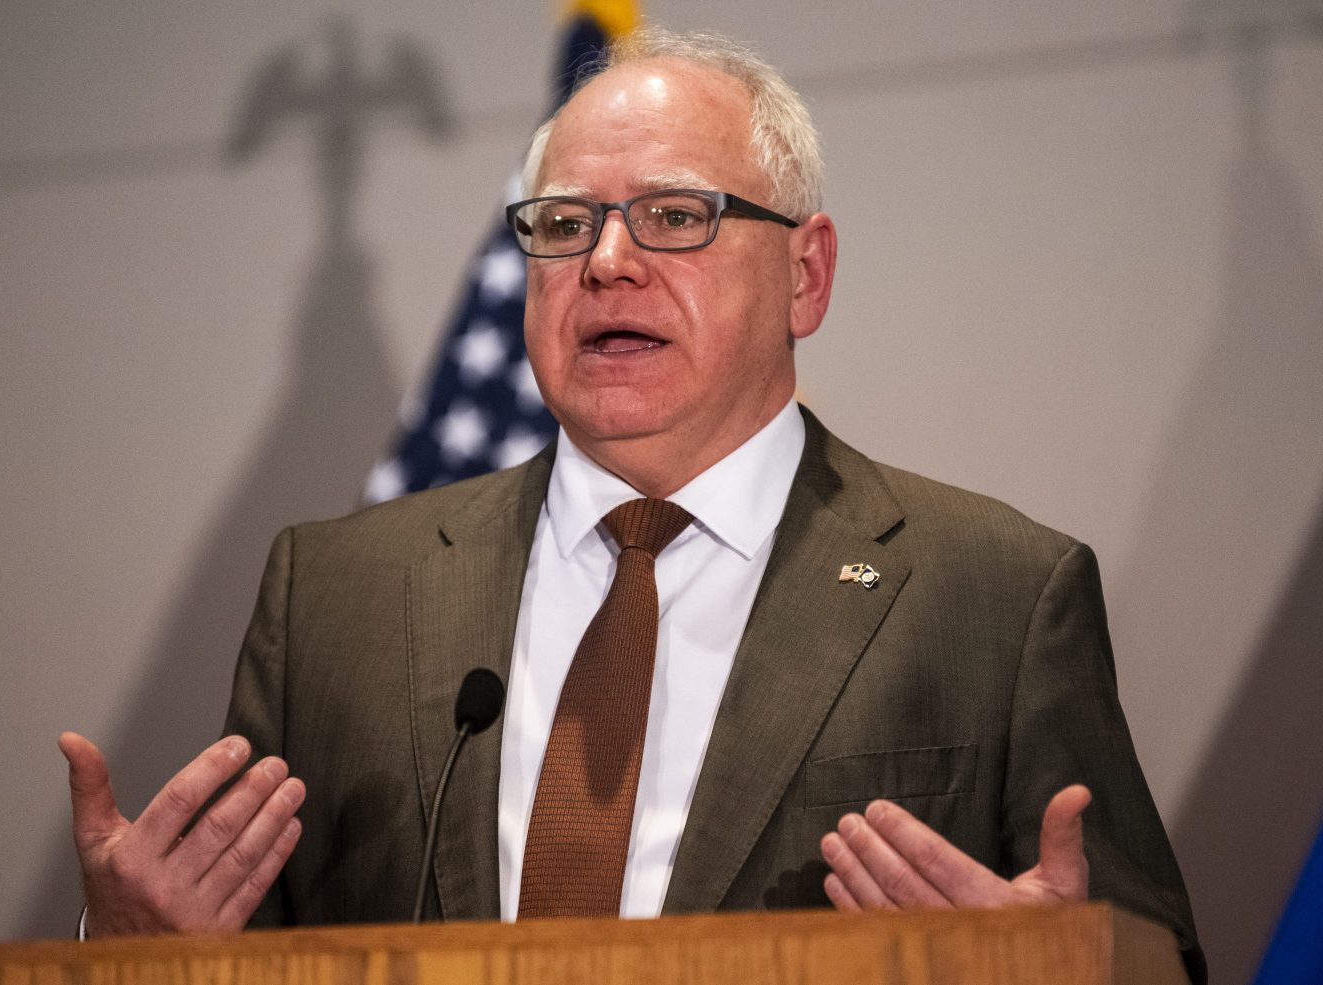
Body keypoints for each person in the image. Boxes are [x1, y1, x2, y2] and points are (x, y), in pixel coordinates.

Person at [59, 26, 1203, 979]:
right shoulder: (336, 596)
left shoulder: (997, 596)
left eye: (674, 216)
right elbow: (226, 948)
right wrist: (129, 957)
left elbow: (1161, 959)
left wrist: (1076, 971)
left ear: (805, 275)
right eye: (563, 225)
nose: (606, 261)